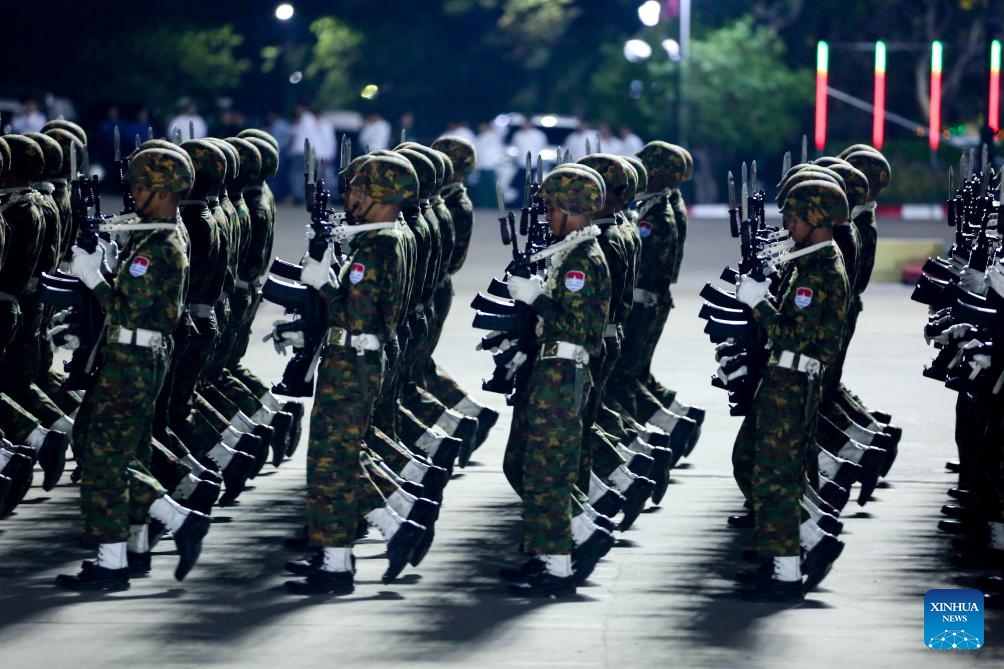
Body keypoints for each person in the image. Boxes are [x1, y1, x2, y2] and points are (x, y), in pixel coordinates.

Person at [56, 147, 212, 591]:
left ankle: (154, 536)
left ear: (164, 191)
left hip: (134, 359)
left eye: (143, 185)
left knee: (104, 457)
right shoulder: (158, 234)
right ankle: (134, 547)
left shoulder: (159, 246)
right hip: (137, 356)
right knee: (120, 450)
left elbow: (127, 307)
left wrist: (94, 276)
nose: (136, 192)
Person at [284, 154, 416, 594]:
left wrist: (323, 281)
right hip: (350, 360)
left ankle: (362, 549)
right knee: (332, 461)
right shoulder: (374, 239)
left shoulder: (378, 246)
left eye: (360, 189)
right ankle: (336, 555)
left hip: (353, 362)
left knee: (333, 459)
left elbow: (356, 316)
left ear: (381, 196)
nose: (351, 196)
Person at [731, 179, 850, 602]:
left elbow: (790, 336)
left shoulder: (818, 273)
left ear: (816, 219)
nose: (788, 225)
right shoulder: (811, 262)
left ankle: (786, 572)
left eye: (795, 218)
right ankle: (804, 540)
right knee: (760, 466)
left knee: (775, 476)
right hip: (785, 379)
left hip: (794, 380)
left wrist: (758, 302)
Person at [500, 164, 612, 597]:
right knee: (533, 466)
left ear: (570, 207)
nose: (546, 214)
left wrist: (537, 298)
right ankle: (562, 545)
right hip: (553, 369)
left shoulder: (582, 259)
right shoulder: (571, 251)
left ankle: (559, 568)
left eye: (551, 206)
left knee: (548, 470)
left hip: (563, 373)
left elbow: (576, 326)